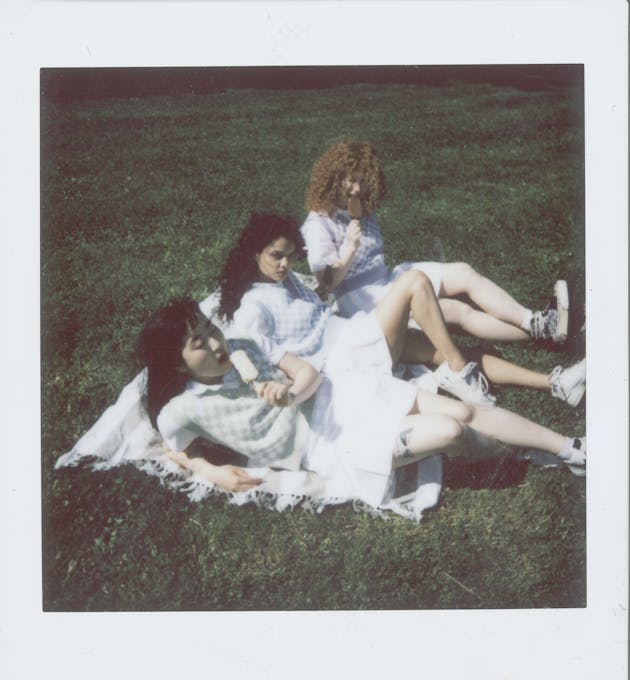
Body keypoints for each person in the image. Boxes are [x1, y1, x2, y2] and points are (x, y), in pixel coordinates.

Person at [135, 297, 585, 505]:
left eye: (209, 331)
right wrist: (209, 469)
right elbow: (173, 449)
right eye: (198, 343)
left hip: (341, 394)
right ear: (178, 365)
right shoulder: (182, 409)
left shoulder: (242, 343)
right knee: (451, 431)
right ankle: (515, 451)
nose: (215, 344)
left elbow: (308, 371)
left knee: (464, 410)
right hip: (328, 447)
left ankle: (570, 448)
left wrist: (290, 392)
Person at [217, 213, 586, 408]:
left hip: (353, 334)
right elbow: (247, 353)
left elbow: (319, 299)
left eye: (289, 255)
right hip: (345, 359)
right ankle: (460, 371)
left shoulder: (286, 280)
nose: (284, 264)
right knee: (414, 282)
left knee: (446, 350)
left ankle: (556, 383)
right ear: (254, 254)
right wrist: (274, 388)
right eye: (275, 256)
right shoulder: (253, 307)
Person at [300, 140, 571, 352]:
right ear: (333, 177)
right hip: (363, 299)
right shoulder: (318, 223)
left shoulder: (360, 209)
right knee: (456, 310)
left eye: (362, 180)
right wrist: (348, 249)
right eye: (350, 179)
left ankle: (535, 321)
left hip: (388, 278)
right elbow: (327, 285)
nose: (357, 188)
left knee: (464, 272)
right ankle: (544, 335)